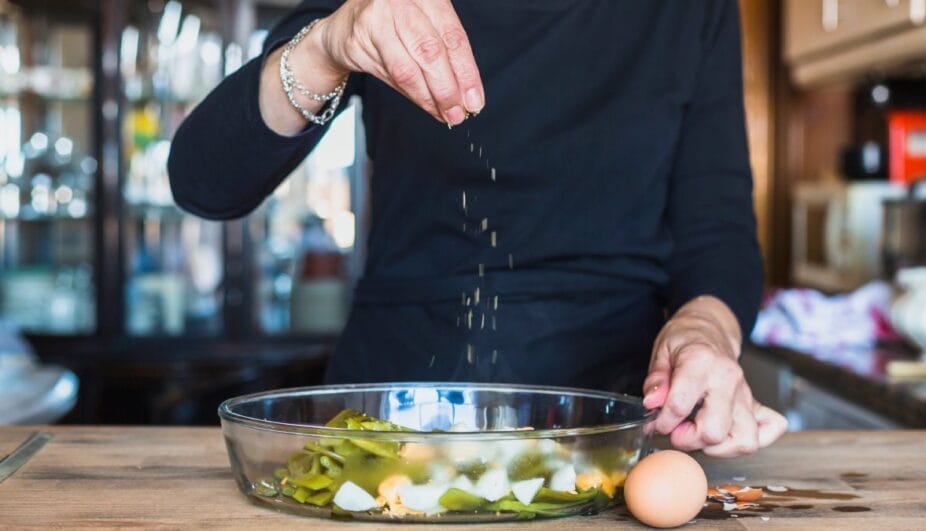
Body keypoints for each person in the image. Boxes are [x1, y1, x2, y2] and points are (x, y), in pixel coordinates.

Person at [169, 0, 788, 457]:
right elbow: (205, 180)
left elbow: (718, 228)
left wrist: (703, 330)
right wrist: (328, 44)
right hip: (395, 410)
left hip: (611, 420)